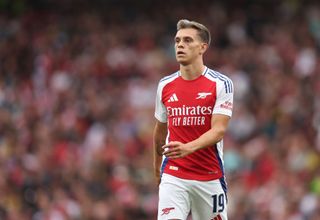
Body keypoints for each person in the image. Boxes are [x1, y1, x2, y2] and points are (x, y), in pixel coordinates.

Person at [153, 19, 234, 220]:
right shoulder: (165, 85)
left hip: (209, 175)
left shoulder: (221, 84)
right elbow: (160, 132)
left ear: (202, 47)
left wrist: (188, 148)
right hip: (174, 173)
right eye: (177, 40)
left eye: (188, 40)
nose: (180, 45)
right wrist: (157, 169)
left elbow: (218, 131)